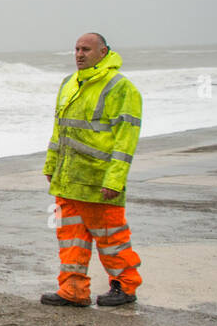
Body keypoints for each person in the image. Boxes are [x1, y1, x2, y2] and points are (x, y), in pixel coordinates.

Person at [41, 33, 143, 308]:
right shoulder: (69, 83)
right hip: (68, 180)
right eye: (76, 49)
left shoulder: (120, 88)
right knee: (71, 240)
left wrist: (115, 180)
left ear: (103, 52)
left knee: (111, 239)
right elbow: (59, 130)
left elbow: (126, 140)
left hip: (99, 182)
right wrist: (51, 165)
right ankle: (73, 290)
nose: (79, 54)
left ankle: (124, 286)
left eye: (86, 49)